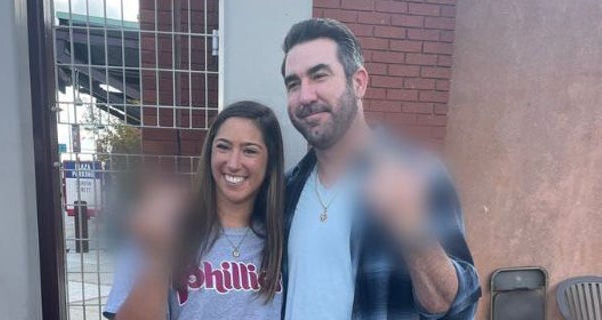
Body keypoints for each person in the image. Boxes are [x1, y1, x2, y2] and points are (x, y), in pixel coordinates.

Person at [280, 18, 481, 319]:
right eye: (293, 84)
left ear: (358, 82)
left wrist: (413, 230)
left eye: (319, 76)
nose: (305, 96)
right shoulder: (288, 189)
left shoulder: (415, 172)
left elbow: (455, 307)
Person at [103, 101, 286, 319]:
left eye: (249, 150)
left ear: (270, 161)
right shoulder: (166, 224)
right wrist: (159, 254)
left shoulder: (282, 235)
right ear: (209, 152)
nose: (234, 163)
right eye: (223, 147)